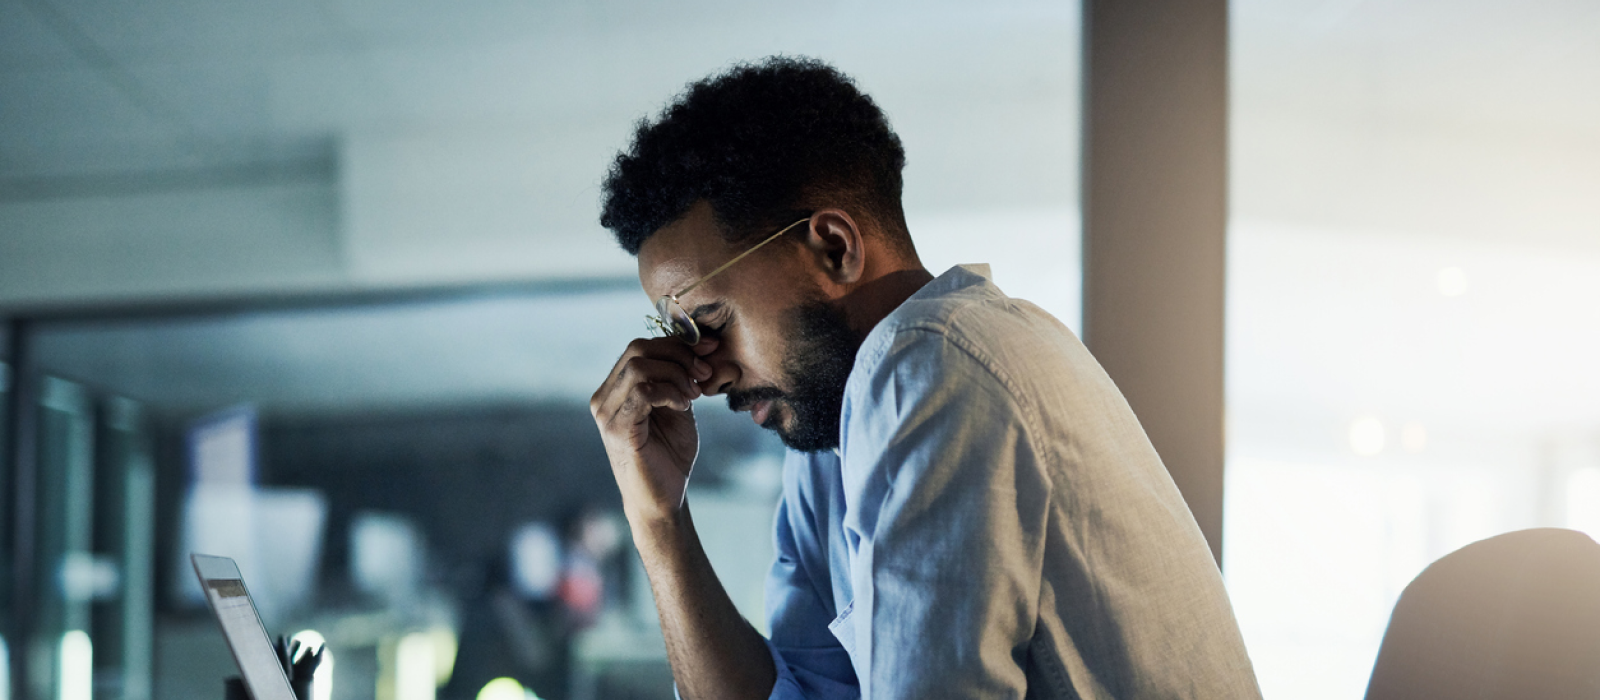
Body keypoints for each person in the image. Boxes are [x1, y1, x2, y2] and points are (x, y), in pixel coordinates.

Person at [588, 56, 1261, 699]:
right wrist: (658, 521)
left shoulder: (931, 366)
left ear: (834, 247)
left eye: (710, 319)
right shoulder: (831, 447)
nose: (703, 373)